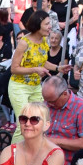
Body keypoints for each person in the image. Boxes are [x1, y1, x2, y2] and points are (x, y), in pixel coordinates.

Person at [8, 11, 52, 142]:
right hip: (19, 87)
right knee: (23, 123)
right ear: (38, 25)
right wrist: (35, 70)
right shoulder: (24, 42)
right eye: (47, 23)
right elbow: (14, 69)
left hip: (35, 87)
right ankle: (13, 158)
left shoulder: (44, 40)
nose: (50, 26)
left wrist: (58, 68)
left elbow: (42, 62)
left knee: (38, 122)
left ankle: (31, 154)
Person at [41, 75, 83, 165]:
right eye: (46, 100)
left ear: (65, 94)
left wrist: (54, 141)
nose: (48, 104)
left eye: (52, 101)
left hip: (68, 164)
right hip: (43, 159)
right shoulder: (46, 103)